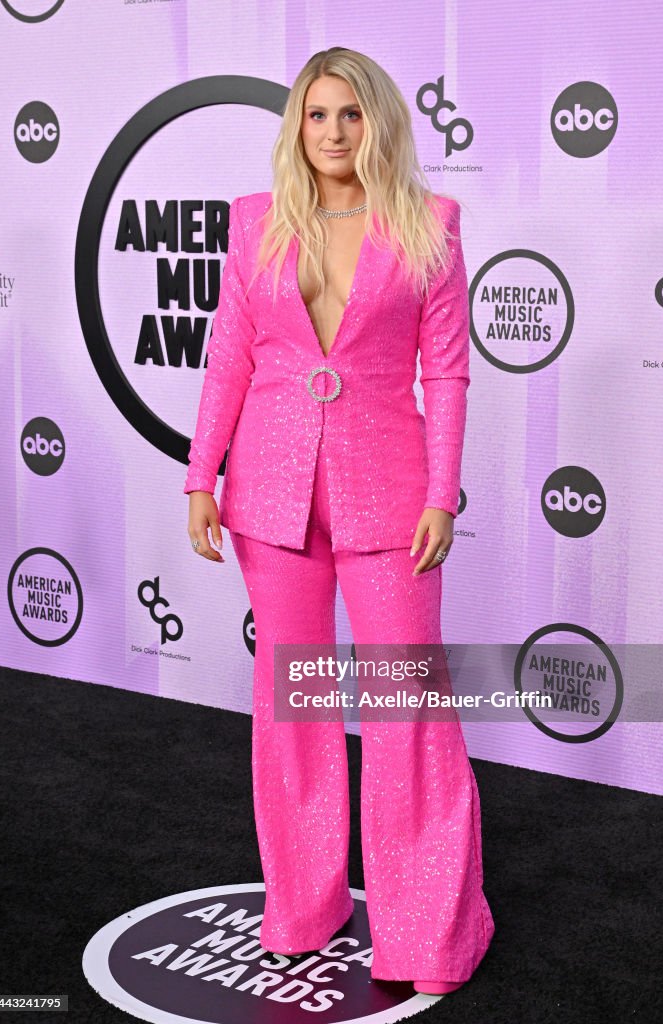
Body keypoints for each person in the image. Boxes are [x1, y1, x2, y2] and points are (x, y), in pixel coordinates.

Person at [184, 47, 495, 994]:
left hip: (392, 498)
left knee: (406, 708)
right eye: (317, 116)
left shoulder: (429, 226)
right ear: (296, 125)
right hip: (272, 494)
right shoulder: (256, 225)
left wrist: (442, 493)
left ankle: (428, 936)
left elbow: (445, 371)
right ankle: (304, 907)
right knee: (295, 708)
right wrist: (203, 476)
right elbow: (228, 358)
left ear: (379, 123)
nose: (332, 133)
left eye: (350, 116)